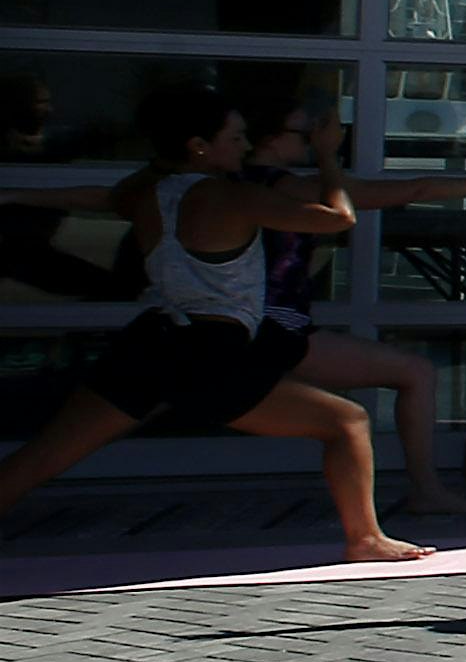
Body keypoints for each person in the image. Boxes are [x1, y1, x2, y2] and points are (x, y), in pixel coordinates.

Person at [0, 86, 429, 561]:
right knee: (348, 421)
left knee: (44, 454)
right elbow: (337, 217)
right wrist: (328, 158)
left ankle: (366, 538)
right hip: (209, 349)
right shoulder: (230, 196)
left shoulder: (146, 189)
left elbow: (102, 198)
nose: (245, 147)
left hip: (154, 339)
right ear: (199, 146)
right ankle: (365, 539)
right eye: (235, 138)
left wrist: (17, 193)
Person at [241, 107, 466, 521]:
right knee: (403, 381)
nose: (309, 139)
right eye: (303, 133)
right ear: (270, 140)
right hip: (273, 325)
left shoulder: (237, 185)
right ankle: (420, 494)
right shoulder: (284, 188)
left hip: (262, 325)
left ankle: (419, 495)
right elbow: (408, 192)